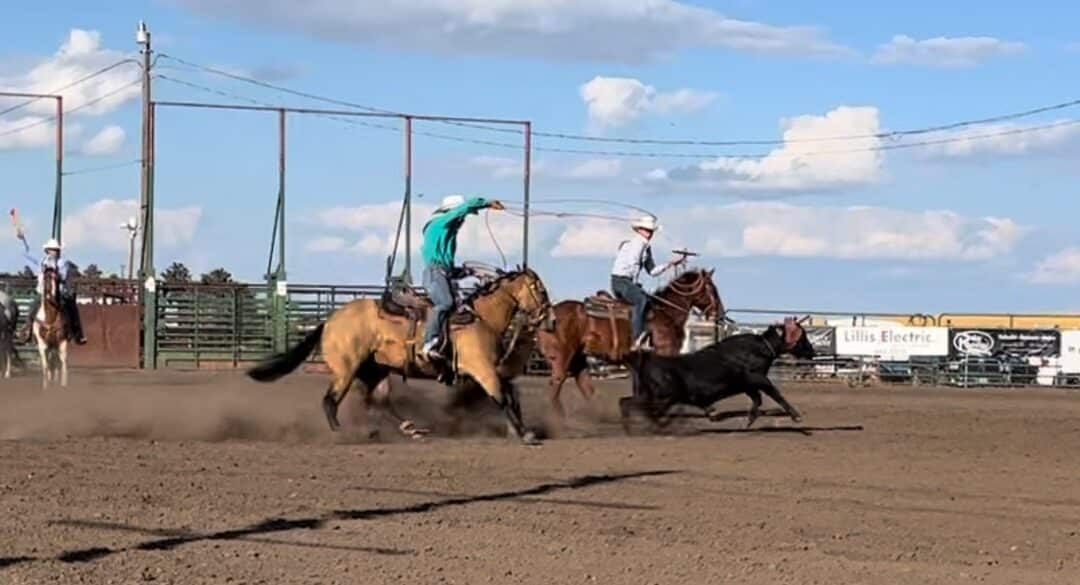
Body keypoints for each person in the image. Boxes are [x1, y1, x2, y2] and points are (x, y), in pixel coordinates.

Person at [420, 195, 504, 360]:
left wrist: (469, 272)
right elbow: (462, 209)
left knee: (460, 306)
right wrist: (485, 204)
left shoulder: (445, 231)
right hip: (435, 274)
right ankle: (429, 343)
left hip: (441, 273)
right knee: (445, 303)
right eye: (461, 218)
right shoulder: (441, 223)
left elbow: (448, 267)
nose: (462, 221)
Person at [610, 216, 684, 349]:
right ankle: (635, 338)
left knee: (647, 302)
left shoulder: (645, 247)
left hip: (624, 282)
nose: (649, 233)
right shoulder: (638, 243)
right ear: (639, 230)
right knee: (641, 300)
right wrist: (635, 282)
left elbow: (653, 271)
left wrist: (670, 264)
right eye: (646, 230)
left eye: (651, 231)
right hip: (621, 281)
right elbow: (633, 263)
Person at [20, 238, 86, 345]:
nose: (54, 252)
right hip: (42, 293)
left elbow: (63, 276)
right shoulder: (42, 262)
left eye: (55, 250)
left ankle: (77, 334)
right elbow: (27, 254)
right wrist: (23, 241)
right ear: (47, 251)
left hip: (59, 294)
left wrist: (55, 275)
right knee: (32, 307)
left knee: (72, 308)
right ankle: (28, 330)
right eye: (51, 249)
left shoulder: (63, 263)